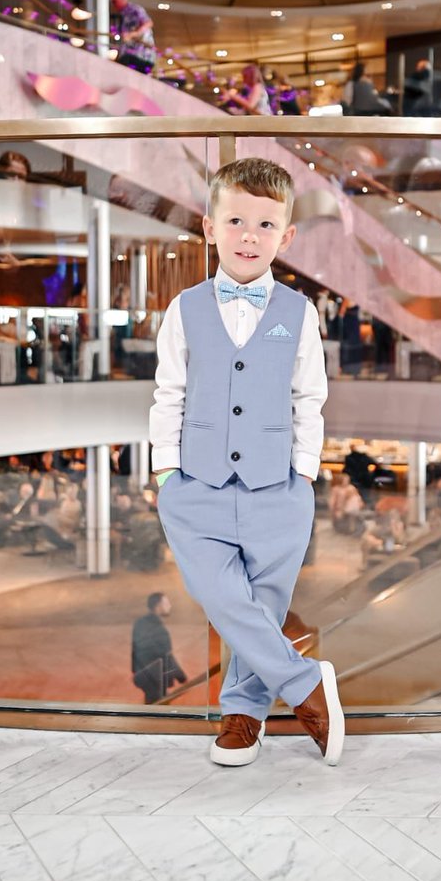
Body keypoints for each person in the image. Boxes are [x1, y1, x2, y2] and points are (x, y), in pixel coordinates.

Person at [150, 156, 343, 767]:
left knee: (262, 605)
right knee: (220, 595)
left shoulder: (299, 312)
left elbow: (310, 396)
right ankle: (306, 686)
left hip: (277, 486)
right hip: (195, 485)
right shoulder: (184, 308)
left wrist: (304, 473)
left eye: (264, 225)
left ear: (285, 237)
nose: (249, 236)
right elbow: (169, 392)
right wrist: (164, 471)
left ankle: (243, 715)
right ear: (210, 227)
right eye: (236, 220)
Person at [130, 592, 187, 703]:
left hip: (145, 675)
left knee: (152, 707)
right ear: (158, 606)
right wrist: (182, 677)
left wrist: (137, 672)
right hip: (155, 678)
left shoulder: (140, 623)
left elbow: (135, 650)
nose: (169, 606)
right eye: (166, 603)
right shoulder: (158, 629)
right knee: (158, 710)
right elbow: (166, 656)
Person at [111, 0, 156, 74]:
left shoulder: (135, 9)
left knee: (123, 63)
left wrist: (133, 34)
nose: (113, 4)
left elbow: (148, 23)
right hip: (130, 57)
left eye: (114, 1)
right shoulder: (120, 15)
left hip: (143, 57)